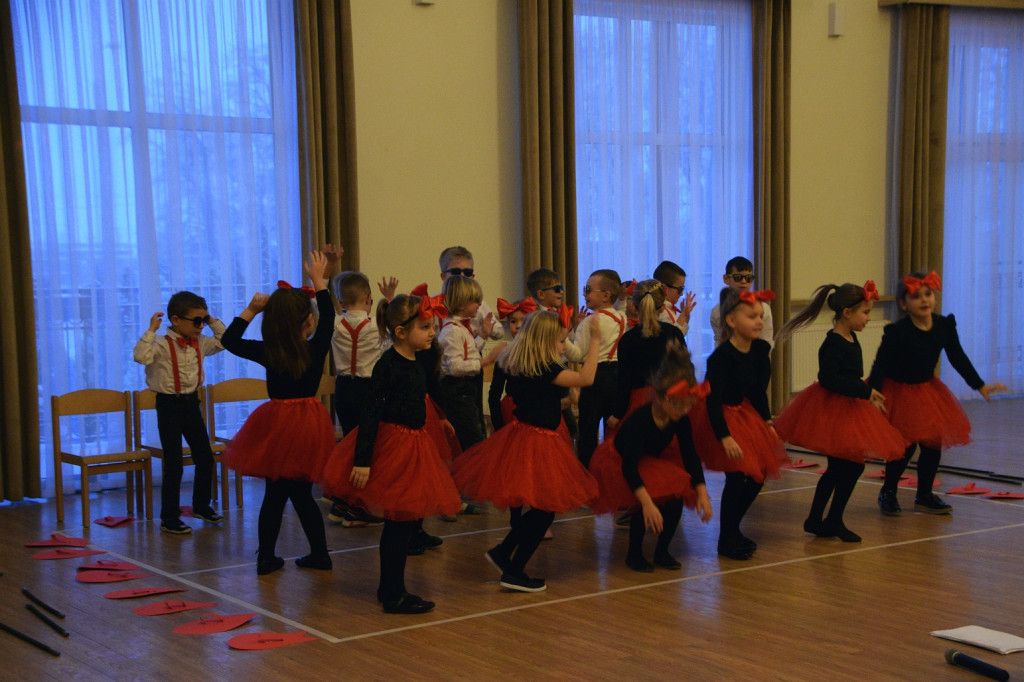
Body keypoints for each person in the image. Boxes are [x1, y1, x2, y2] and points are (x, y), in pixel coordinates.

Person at [321, 289, 461, 614]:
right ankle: (392, 592)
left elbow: (424, 393)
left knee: (405, 524)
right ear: (400, 332)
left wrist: (440, 419)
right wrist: (363, 460)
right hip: (395, 446)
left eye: (432, 326)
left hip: (415, 442)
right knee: (397, 525)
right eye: (425, 327)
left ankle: (392, 589)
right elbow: (371, 411)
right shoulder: (389, 365)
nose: (432, 333)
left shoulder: (417, 360)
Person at [453, 311, 603, 592]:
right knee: (545, 511)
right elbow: (586, 378)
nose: (563, 347)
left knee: (542, 509)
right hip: (539, 442)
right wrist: (595, 342)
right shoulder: (547, 369)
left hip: (522, 436)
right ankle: (513, 571)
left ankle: (504, 553)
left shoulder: (519, 364)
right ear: (546, 340)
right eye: (560, 341)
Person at [220, 249, 339, 575]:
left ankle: (268, 557)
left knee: (276, 493)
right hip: (308, 424)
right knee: (301, 493)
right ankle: (318, 554)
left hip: (279, 425)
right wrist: (319, 282)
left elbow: (229, 340)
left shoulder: (268, 350)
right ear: (308, 322)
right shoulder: (315, 348)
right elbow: (329, 319)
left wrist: (251, 310)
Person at [774, 281, 907, 543]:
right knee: (846, 467)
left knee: (844, 468)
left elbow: (850, 377)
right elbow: (829, 379)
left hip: (850, 406)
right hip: (834, 409)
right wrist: (864, 391)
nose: (868, 318)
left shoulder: (851, 337)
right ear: (847, 313)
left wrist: (866, 392)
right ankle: (826, 519)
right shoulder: (833, 343)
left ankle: (822, 519)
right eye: (865, 312)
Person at [867, 271, 1007, 516]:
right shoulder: (898, 331)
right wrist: (874, 391)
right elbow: (881, 363)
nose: (924, 300)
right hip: (898, 391)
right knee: (904, 446)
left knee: (932, 444)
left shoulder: (944, 326)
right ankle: (888, 491)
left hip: (926, 390)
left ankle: (924, 495)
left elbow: (957, 357)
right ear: (904, 304)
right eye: (916, 296)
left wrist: (979, 385)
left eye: (928, 294)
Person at [589, 341, 713, 572]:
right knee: (644, 503)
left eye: (688, 405)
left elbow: (690, 456)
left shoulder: (679, 418)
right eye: (680, 405)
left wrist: (702, 493)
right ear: (663, 398)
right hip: (622, 461)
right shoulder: (641, 421)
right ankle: (634, 554)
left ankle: (662, 551)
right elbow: (629, 467)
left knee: (675, 497)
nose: (685, 411)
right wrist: (647, 503)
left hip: (648, 460)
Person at [691, 287, 787, 560]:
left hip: (745, 415)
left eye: (760, 316)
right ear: (732, 321)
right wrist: (724, 436)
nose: (759, 322)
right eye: (751, 317)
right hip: (721, 417)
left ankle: (733, 529)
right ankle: (726, 539)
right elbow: (713, 400)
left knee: (758, 474)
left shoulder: (759, 350)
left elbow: (757, 392)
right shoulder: (721, 357)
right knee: (737, 477)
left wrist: (768, 422)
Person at [133, 291, 226, 534]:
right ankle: (169, 517)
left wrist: (211, 319)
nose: (201, 326)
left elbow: (225, 340)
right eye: (196, 321)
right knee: (173, 462)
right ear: (175, 320)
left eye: (203, 321)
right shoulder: (160, 343)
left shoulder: (201, 342)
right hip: (168, 406)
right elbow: (140, 356)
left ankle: (201, 505)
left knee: (205, 457)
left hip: (192, 403)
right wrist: (151, 330)